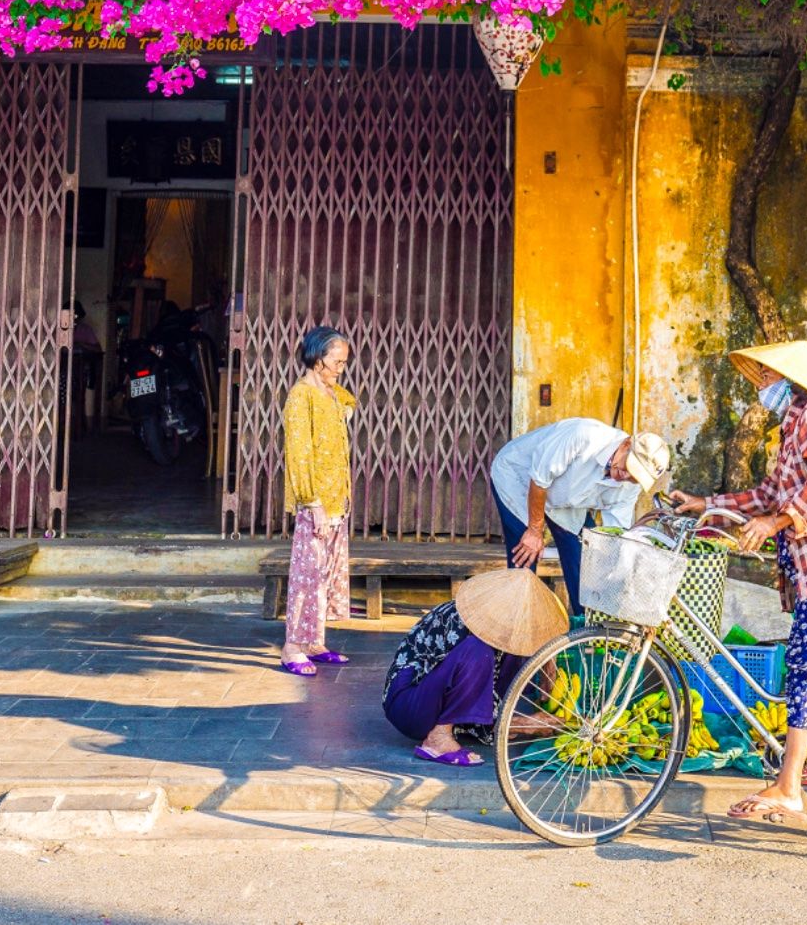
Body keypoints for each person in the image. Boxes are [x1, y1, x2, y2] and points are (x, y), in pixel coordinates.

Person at [671, 339, 807, 825]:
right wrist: (707, 503)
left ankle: (790, 787)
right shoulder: (790, 430)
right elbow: (768, 492)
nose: (761, 388)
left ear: (791, 380)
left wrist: (773, 524)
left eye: (767, 379)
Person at [383, 567, 567, 765]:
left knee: (509, 653)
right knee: (477, 650)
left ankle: (458, 727)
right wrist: (520, 725)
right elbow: (468, 684)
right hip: (410, 706)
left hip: (436, 700)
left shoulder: (500, 630)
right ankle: (438, 738)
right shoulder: (460, 624)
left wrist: (549, 660)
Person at [490, 420, 671, 617]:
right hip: (519, 478)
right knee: (526, 556)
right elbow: (539, 480)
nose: (625, 476)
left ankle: (586, 631)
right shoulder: (583, 436)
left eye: (634, 477)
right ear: (626, 444)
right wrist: (535, 530)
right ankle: (516, 636)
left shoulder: (629, 486)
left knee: (585, 557)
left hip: (566, 496)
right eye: (629, 467)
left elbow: (616, 535)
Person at [280, 326, 356, 676]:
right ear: (315, 357)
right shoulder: (301, 396)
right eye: (335, 361)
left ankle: (314, 642)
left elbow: (350, 401)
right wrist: (313, 503)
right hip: (318, 503)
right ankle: (292, 647)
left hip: (336, 496)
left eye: (343, 361)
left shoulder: (327, 391)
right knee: (306, 577)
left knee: (324, 576)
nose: (340, 367)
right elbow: (298, 453)